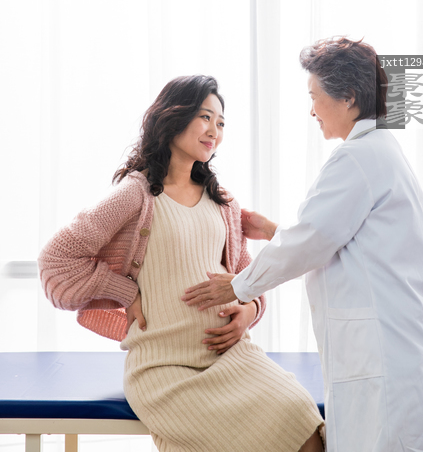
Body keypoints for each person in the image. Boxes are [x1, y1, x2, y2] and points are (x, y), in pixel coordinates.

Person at [182, 40, 423, 452]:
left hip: (384, 357)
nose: (311, 110)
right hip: (401, 351)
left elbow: (312, 241)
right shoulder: (382, 153)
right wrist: (273, 230)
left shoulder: (358, 158)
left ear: (348, 97)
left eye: (314, 96)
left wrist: (238, 286)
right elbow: (343, 238)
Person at [38, 75, 325, 452]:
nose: (214, 131)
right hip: (164, 369)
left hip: (233, 358)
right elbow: (56, 260)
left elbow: (247, 276)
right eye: (205, 117)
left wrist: (250, 310)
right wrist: (124, 291)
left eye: (221, 123)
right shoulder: (136, 195)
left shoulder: (223, 202)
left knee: (302, 420)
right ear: (173, 116)